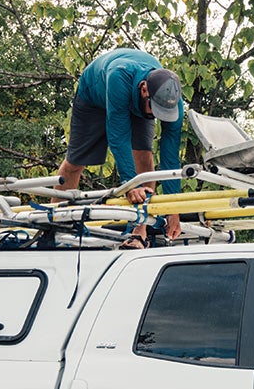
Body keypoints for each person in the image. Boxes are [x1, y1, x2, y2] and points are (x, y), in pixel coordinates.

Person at [56, 48, 185, 247]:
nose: (157, 116)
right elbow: (118, 136)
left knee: (144, 155)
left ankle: (138, 231)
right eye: (155, 110)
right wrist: (129, 184)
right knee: (76, 161)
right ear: (144, 90)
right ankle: (55, 221)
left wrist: (173, 208)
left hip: (136, 101)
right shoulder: (119, 75)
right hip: (94, 95)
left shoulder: (172, 101)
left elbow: (170, 155)